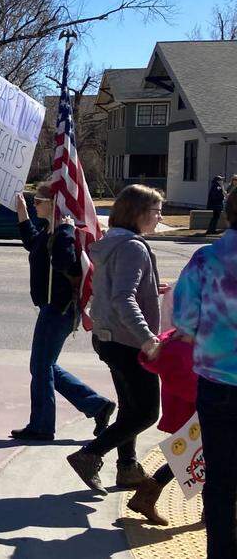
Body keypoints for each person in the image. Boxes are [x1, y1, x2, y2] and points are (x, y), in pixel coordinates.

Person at [66, 184, 165, 493]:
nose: (160, 217)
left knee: (130, 407)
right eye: (156, 211)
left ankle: (128, 468)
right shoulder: (133, 247)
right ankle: (90, 454)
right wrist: (147, 339)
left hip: (108, 337)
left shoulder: (112, 242)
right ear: (138, 213)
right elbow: (123, 298)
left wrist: (152, 288)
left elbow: (114, 288)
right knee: (147, 413)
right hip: (128, 342)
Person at [10, 183, 114, 442]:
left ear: (53, 204)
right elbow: (32, 242)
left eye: (38, 201)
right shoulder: (49, 231)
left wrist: (66, 230)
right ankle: (97, 405)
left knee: (41, 366)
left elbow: (64, 262)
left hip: (59, 309)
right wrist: (22, 212)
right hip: (52, 308)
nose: (35, 205)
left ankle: (43, 426)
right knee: (44, 365)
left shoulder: (64, 233)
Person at [173, 189, 237, 556]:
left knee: (221, 480)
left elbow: (184, 321)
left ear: (227, 213)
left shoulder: (205, 260)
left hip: (217, 384)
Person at [126, 328, 196, 525]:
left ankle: (146, 496)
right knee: (201, 456)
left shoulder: (181, 338)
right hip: (197, 409)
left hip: (194, 408)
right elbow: (188, 382)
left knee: (197, 456)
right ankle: (145, 497)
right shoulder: (184, 346)